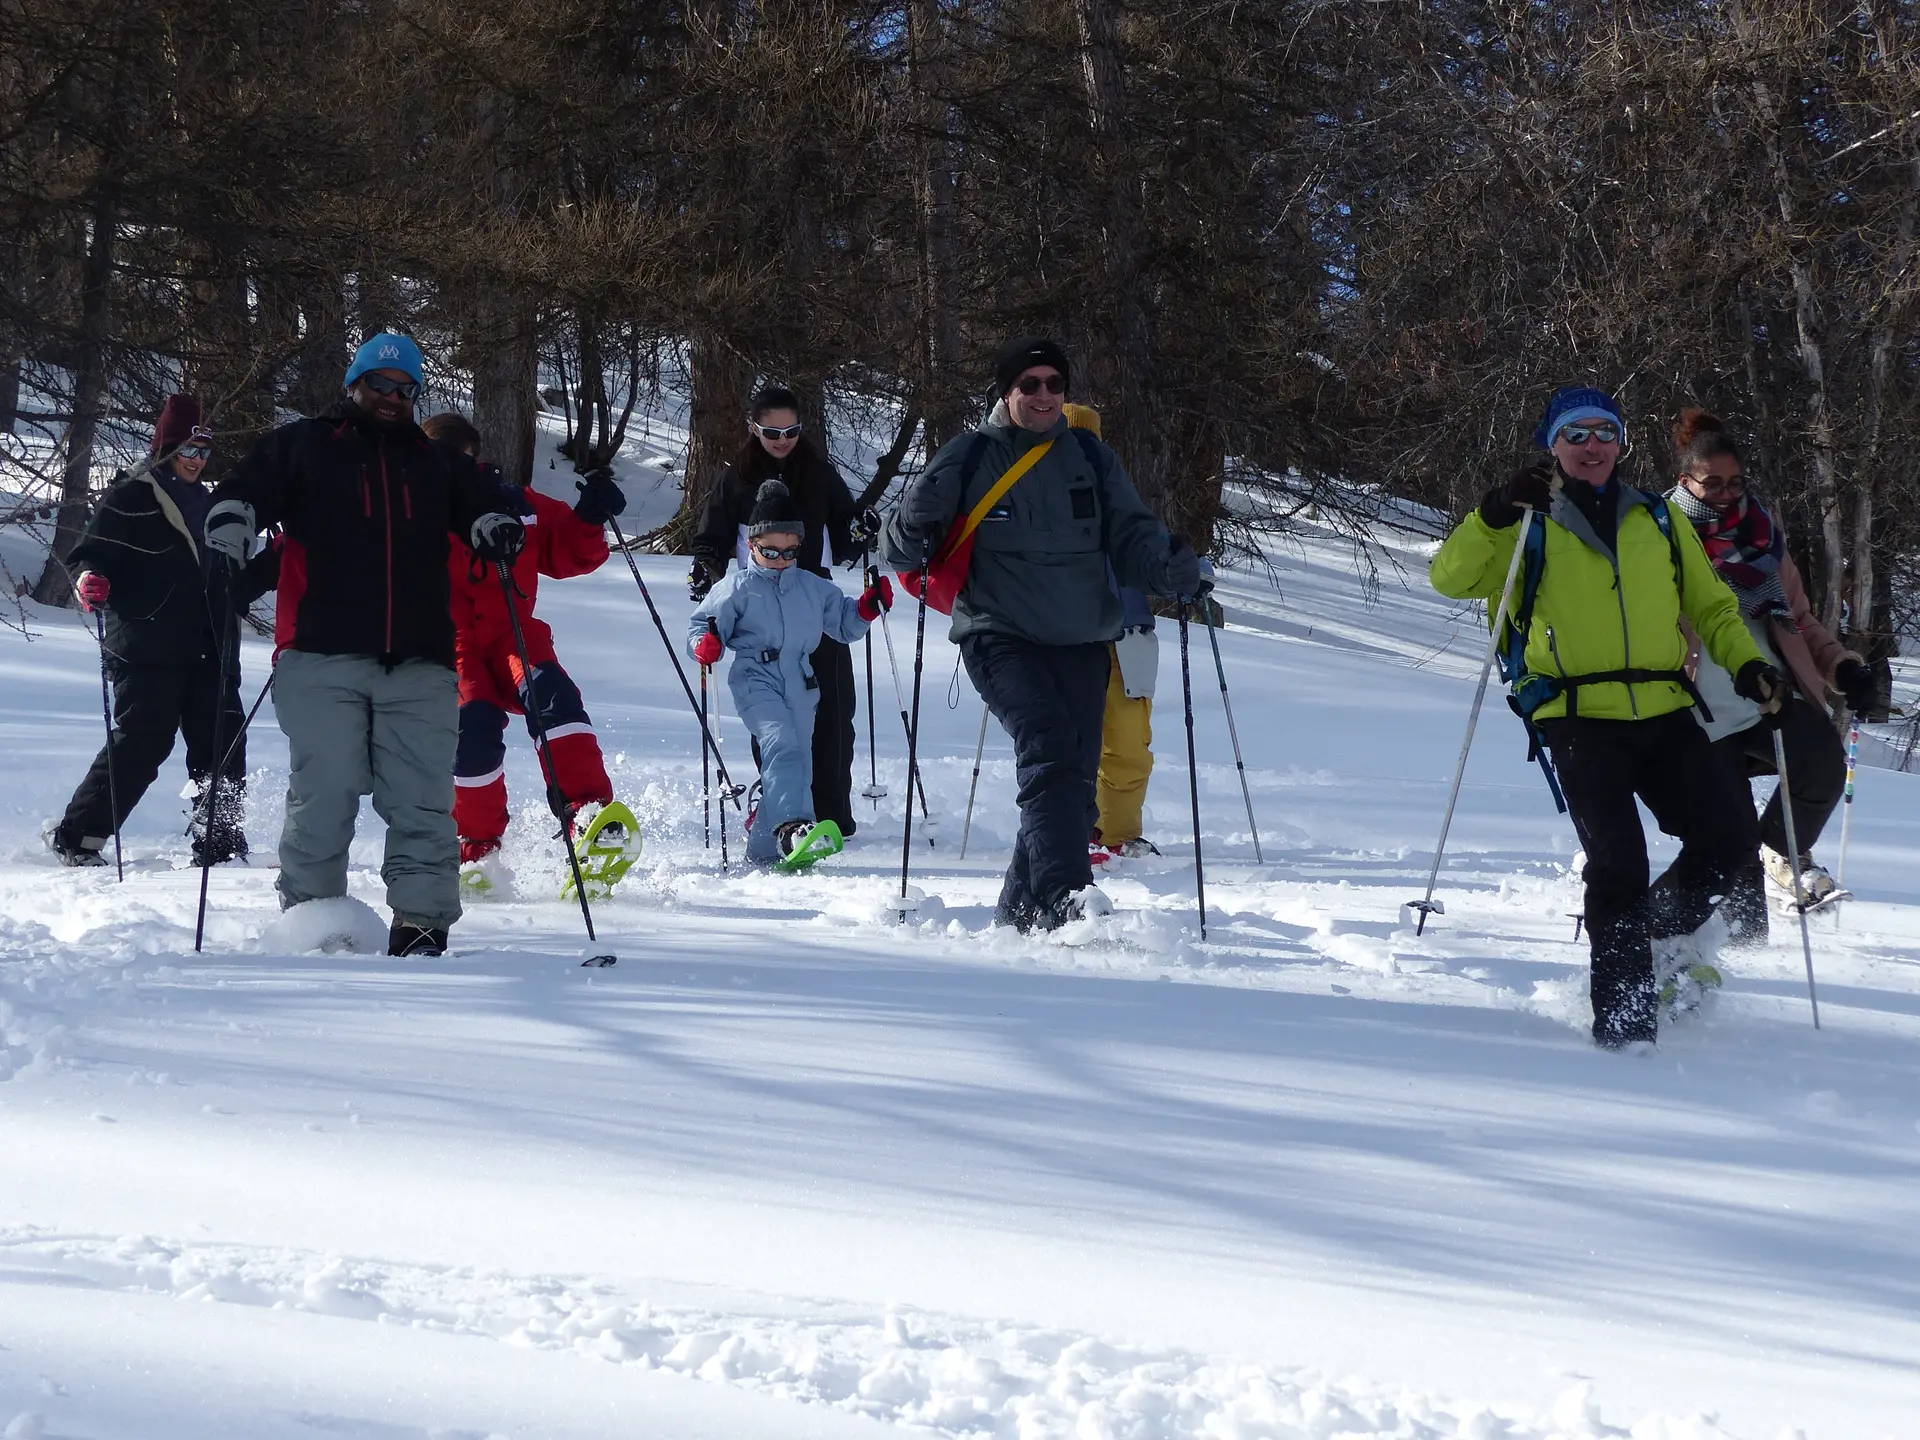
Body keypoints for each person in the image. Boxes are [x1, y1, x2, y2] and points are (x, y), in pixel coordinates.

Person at [1431, 385, 1779, 1049]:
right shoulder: (1526, 520)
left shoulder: (1655, 518)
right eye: (1575, 434)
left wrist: (1748, 666)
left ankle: (1655, 940)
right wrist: (1493, 513)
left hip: (1665, 706)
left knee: (1729, 838)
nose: (1591, 446)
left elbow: (1711, 607)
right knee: (1618, 863)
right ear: (1552, 444)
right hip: (1574, 713)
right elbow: (1449, 578)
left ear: (1621, 443)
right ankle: (1625, 1026)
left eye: (1604, 433)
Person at [203, 333, 525, 957]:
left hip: (421, 661)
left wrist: (493, 523)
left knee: (423, 799)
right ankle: (313, 924)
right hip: (321, 653)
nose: (392, 398)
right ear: (355, 383)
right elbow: (246, 487)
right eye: (380, 384)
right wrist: (232, 522)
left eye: (406, 389)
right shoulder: (304, 445)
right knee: (327, 789)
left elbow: (482, 501)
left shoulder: (437, 463)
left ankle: (423, 927)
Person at [879, 336, 1200, 932]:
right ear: (1007, 392)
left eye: (1055, 384)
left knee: (1074, 777)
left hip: (1082, 640)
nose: (1045, 394)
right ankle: (1066, 894)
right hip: (999, 634)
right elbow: (899, 548)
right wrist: (913, 515)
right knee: (1049, 745)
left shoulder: (1091, 457)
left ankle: (1020, 915)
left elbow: (1132, 536)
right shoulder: (970, 456)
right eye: (1031, 384)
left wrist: (1168, 566)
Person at [1668, 409, 1871, 935]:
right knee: (1728, 841)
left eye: (1735, 482)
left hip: (1769, 695)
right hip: (1699, 707)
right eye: (1712, 484)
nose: (1727, 494)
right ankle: (1731, 950)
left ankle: (1780, 852)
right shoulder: (1661, 534)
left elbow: (1798, 620)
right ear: (1685, 480)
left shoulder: (1762, 533)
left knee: (1823, 766)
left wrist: (1842, 668)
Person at [49, 396, 276, 867]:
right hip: (147, 641)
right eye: (187, 449)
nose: (195, 460)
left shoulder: (216, 504)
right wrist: (89, 580)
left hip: (211, 641)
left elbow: (234, 571)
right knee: (144, 740)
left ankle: (220, 844)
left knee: (222, 741)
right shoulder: (132, 496)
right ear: (166, 448)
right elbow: (92, 555)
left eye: (204, 452)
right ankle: (78, 838)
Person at [421, 412, 629, 894]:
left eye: (468, 459)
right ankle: (475, 844)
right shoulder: (413, 511)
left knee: (553, 696)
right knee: (472, 723)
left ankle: (588, 816)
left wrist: (591, 516)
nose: (459, 470)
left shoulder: (515, 504)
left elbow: (567, 551)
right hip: (447, 642)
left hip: (513, 633)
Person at [690, 385, 864, 837]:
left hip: (814, 601)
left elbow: (847, 534)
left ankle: (832, 815)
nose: (782, 439)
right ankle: (781, 813)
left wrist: (861, 530)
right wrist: (706, 569)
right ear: (754, 428)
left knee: (832, 711)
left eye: (791, 430)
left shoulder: (819, 474)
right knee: (774, 723)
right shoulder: (737, 478)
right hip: (760, 608)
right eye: (771, 431)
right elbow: (713, 535)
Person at [689, 479, 892, 866]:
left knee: (798, 759)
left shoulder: (813, 588)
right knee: (781, 745)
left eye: (789, 552)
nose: (780, 560)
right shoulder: (737, 588)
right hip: (755, 676)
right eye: (769, 551)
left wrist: (867, 608)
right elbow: (702, 627)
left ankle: (765, 853)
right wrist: (706, 645)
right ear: (752, 546)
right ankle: (794, 828)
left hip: (801, 680)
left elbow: (844, 625)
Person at [1061, 403, 1166, 864]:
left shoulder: (1122, 500)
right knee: (1073, 740)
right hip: (1068, 633)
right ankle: (1078, 831)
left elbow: (1150, 549)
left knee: (1123, 740)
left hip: (1126, 631)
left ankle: (1114, 832)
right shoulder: (1042, 499)